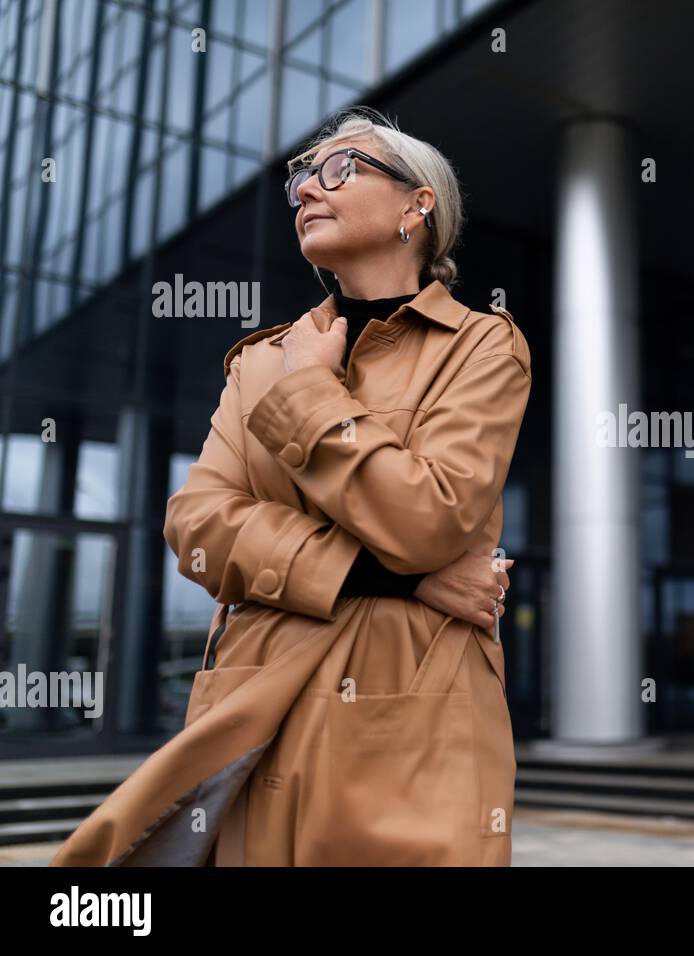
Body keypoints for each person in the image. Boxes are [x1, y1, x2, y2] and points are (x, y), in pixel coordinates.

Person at [49, 106, 531, 866]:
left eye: (340, 168)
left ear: (418, 204)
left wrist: (310, 392)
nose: (308, 188)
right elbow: (198, 525)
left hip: (413, 695)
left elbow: (430, 519)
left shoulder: (480, 345)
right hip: (258, 696)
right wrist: (398, 581)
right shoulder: (260, 362)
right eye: (300, 177)